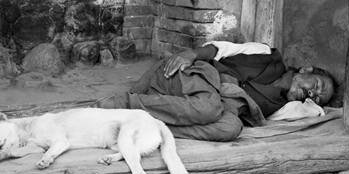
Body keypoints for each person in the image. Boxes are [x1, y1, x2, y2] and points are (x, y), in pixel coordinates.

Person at [95, 41, 336, 142]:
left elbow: (317, 112)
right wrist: (191, 54)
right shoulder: (267, 54)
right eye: (316, 85)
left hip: (222, 106)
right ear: (305, 69)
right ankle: (122, 104)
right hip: (204, 77)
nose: (311, 94)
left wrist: (315, 102)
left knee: (231, 128)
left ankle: (148, 124)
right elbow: (223, 48)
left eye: (316, 97)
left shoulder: (287, 108)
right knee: (209, 107)